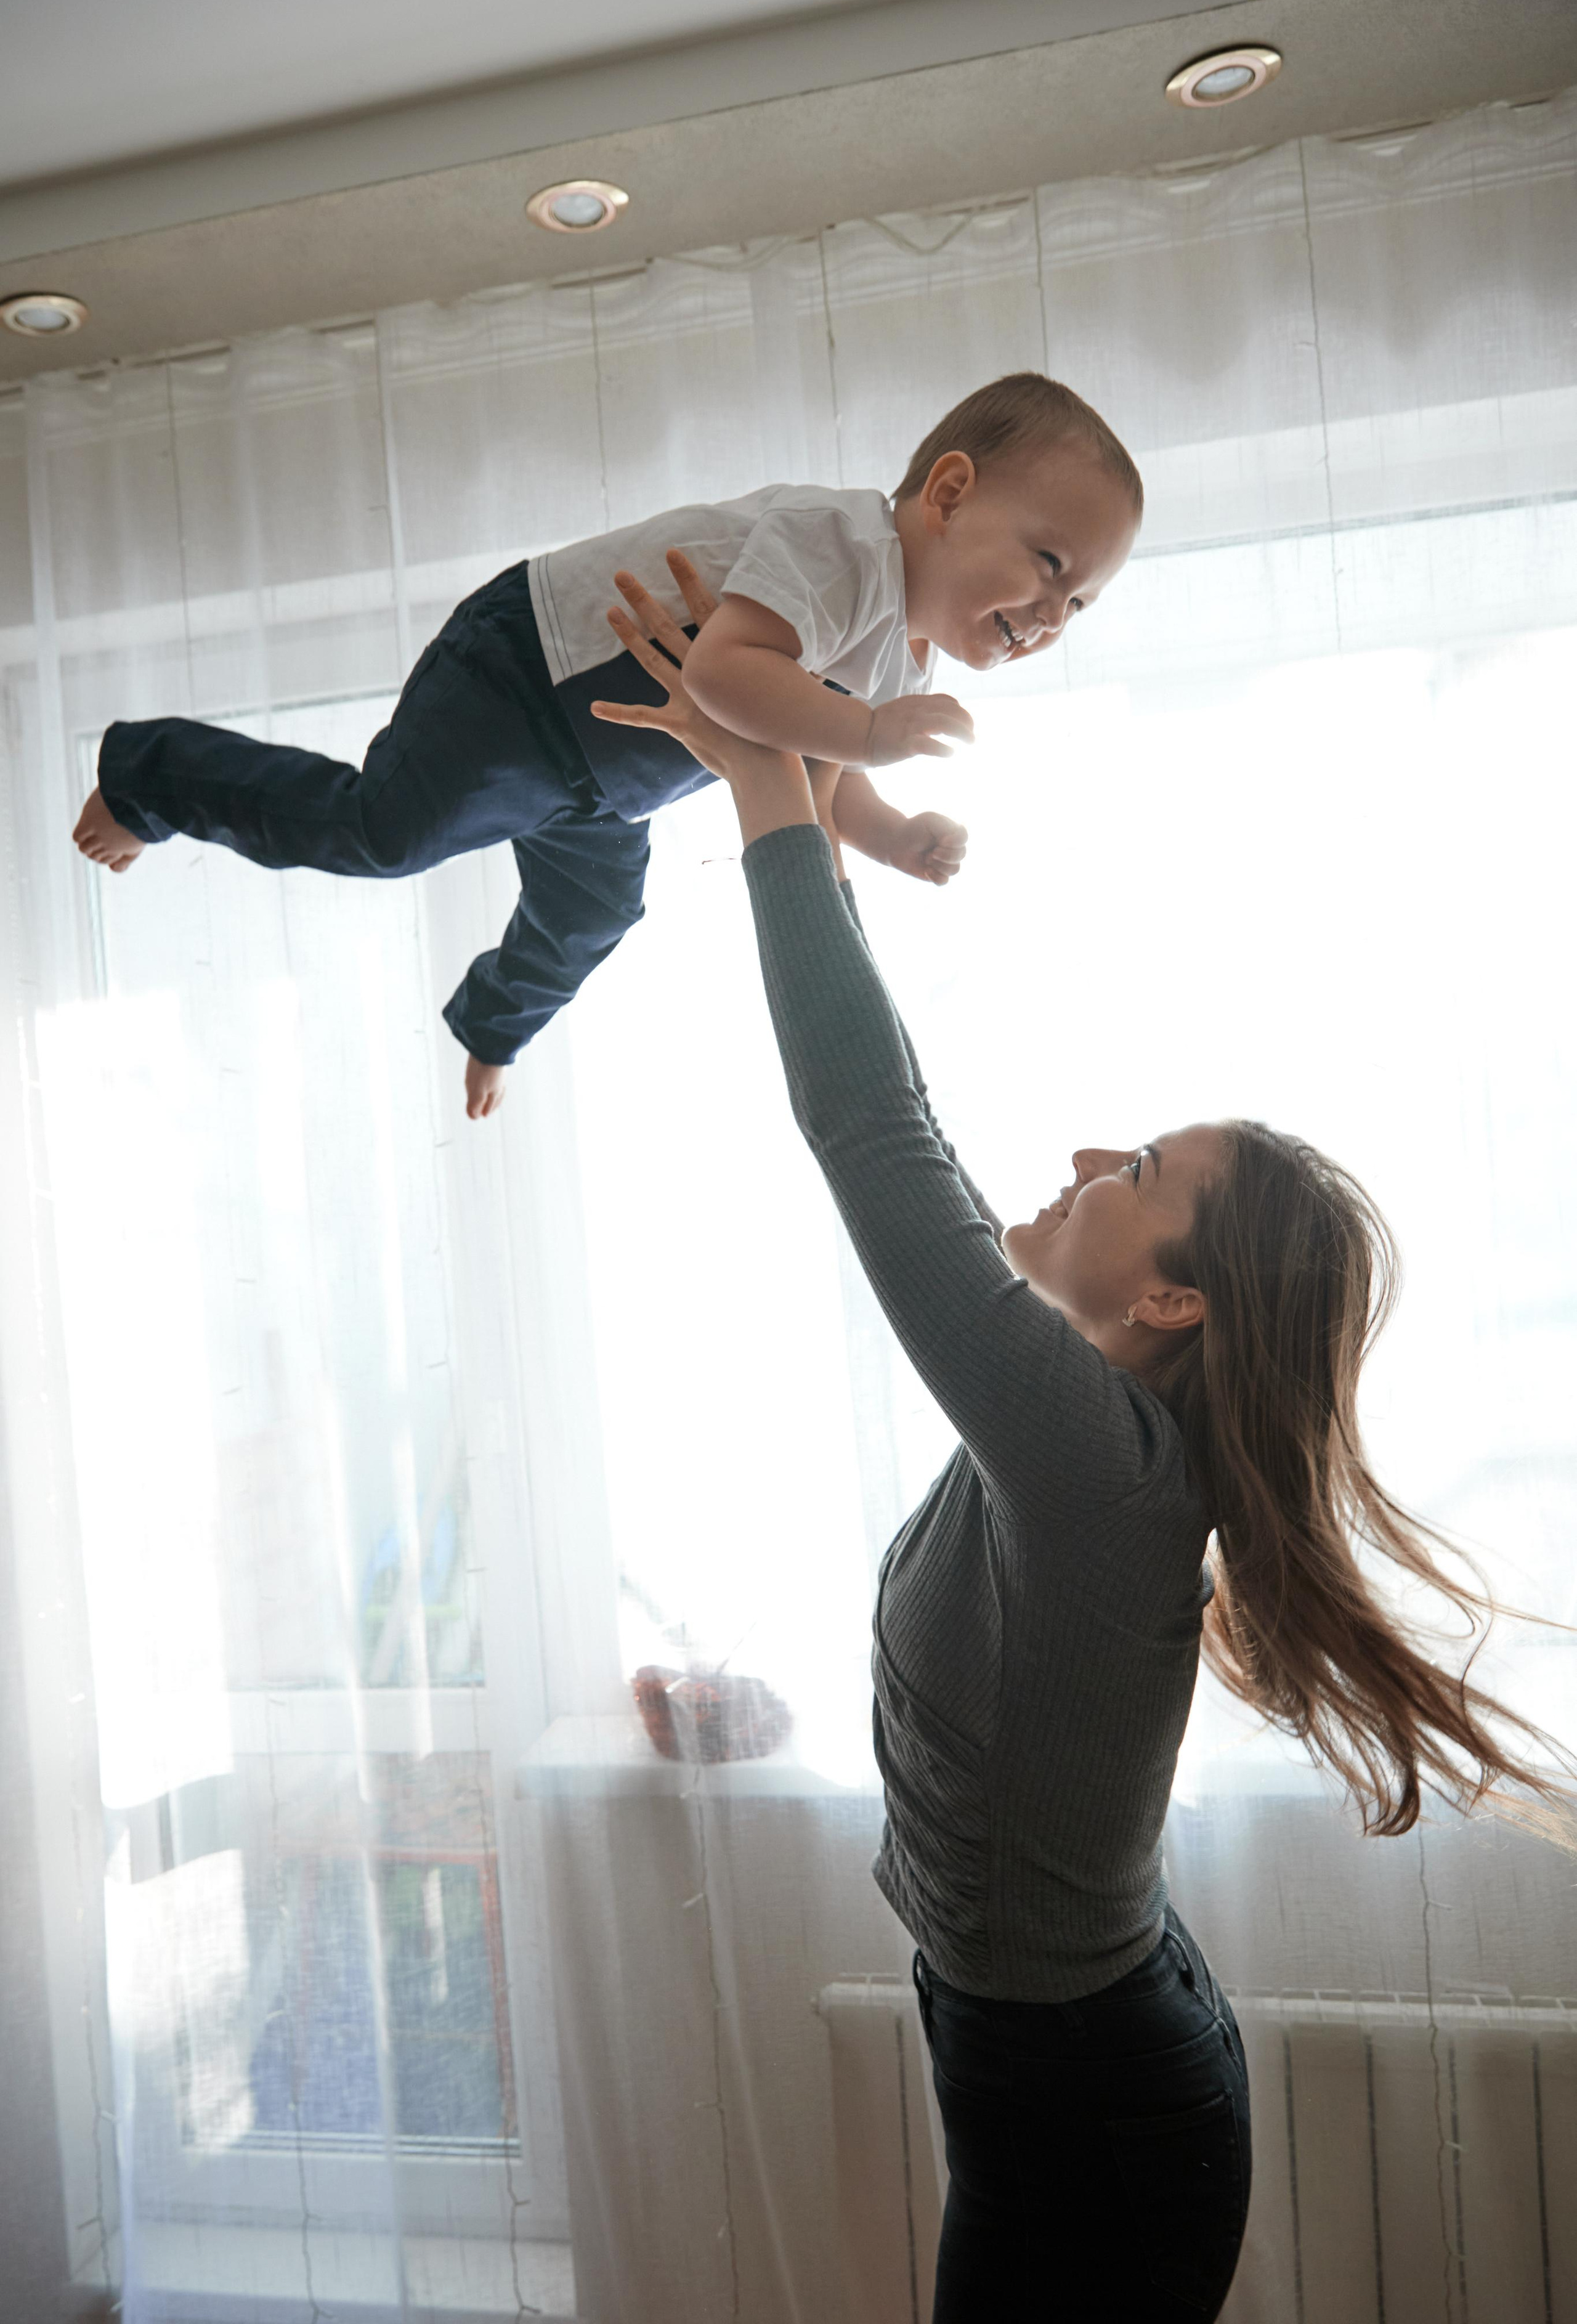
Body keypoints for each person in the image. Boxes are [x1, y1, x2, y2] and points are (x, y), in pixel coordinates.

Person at [594, 556, 1575, 2322]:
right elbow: (923, 1148)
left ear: (1180, 1302)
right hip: (1054, 2065)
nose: (1093, 1149)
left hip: (1096, 2113)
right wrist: (810, 778)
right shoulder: (1092, 1440)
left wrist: (765, 786)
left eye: (1143, 1174)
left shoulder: (1099, 1472)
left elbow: (877, 1134)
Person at [70, 372, 1141, 1121]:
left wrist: (895, 833)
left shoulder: (906, 663)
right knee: (388, 833)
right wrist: (868, 731)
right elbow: (727, 675)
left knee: (599, 906)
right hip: (527, 681)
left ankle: (495, 1022)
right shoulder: (843, 546)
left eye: (1079, 604)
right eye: (1049, 563)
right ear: (950, 495)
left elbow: (817, 782)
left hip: (606, 779)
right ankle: (148, 777)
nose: (1052, 615)